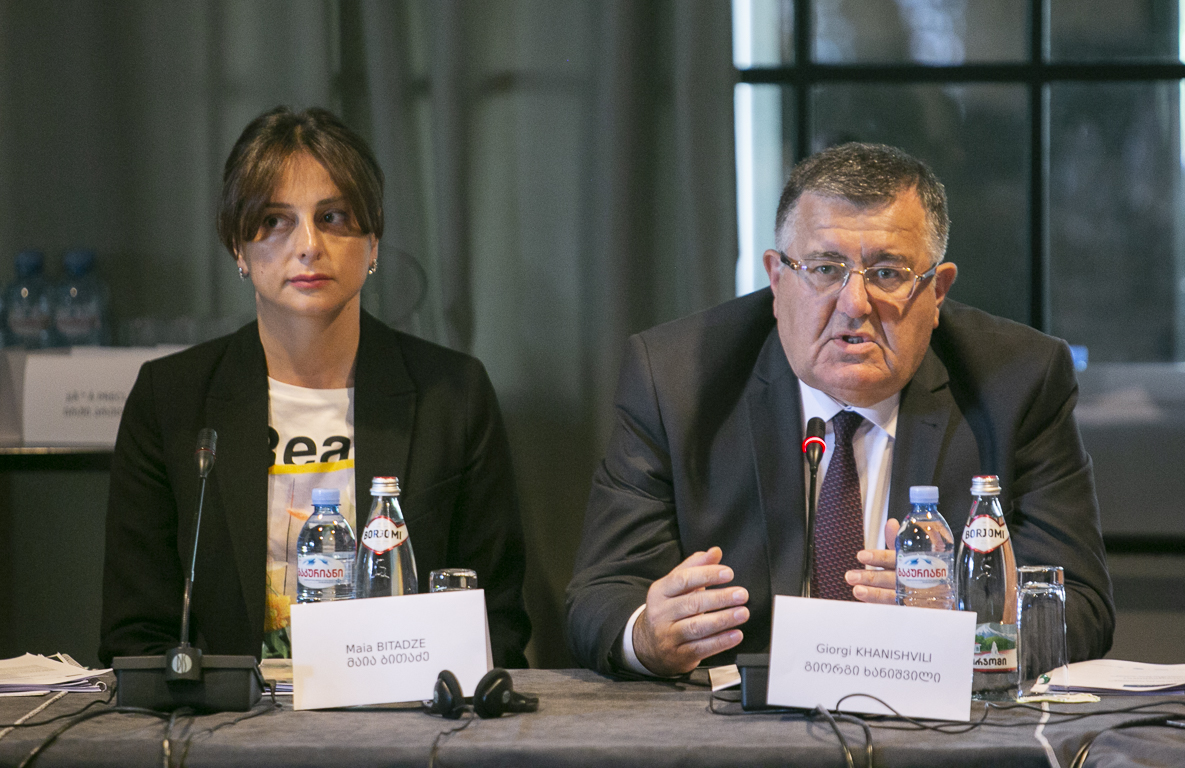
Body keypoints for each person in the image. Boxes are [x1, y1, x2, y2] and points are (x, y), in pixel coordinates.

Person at [566, 142, 1113, 678]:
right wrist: (648, 636)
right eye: (825, 269)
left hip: (940, 724)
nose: (854, 304)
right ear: (777, 279)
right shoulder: (676, 380)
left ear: (937, 292)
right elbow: (602, 594)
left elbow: (1080, 607)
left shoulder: (1019, 381)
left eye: (888, 273)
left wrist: (960, 627)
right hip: (736, 723)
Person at [99, 106, 531, 669]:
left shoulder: (453, 394)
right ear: (238, 247)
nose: (307, 245)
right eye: (274, 220)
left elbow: (495, 623)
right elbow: (135, 636)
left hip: (407, 712)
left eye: (333, 217)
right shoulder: (172, 399)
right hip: (230, 717)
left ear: (373, 241)